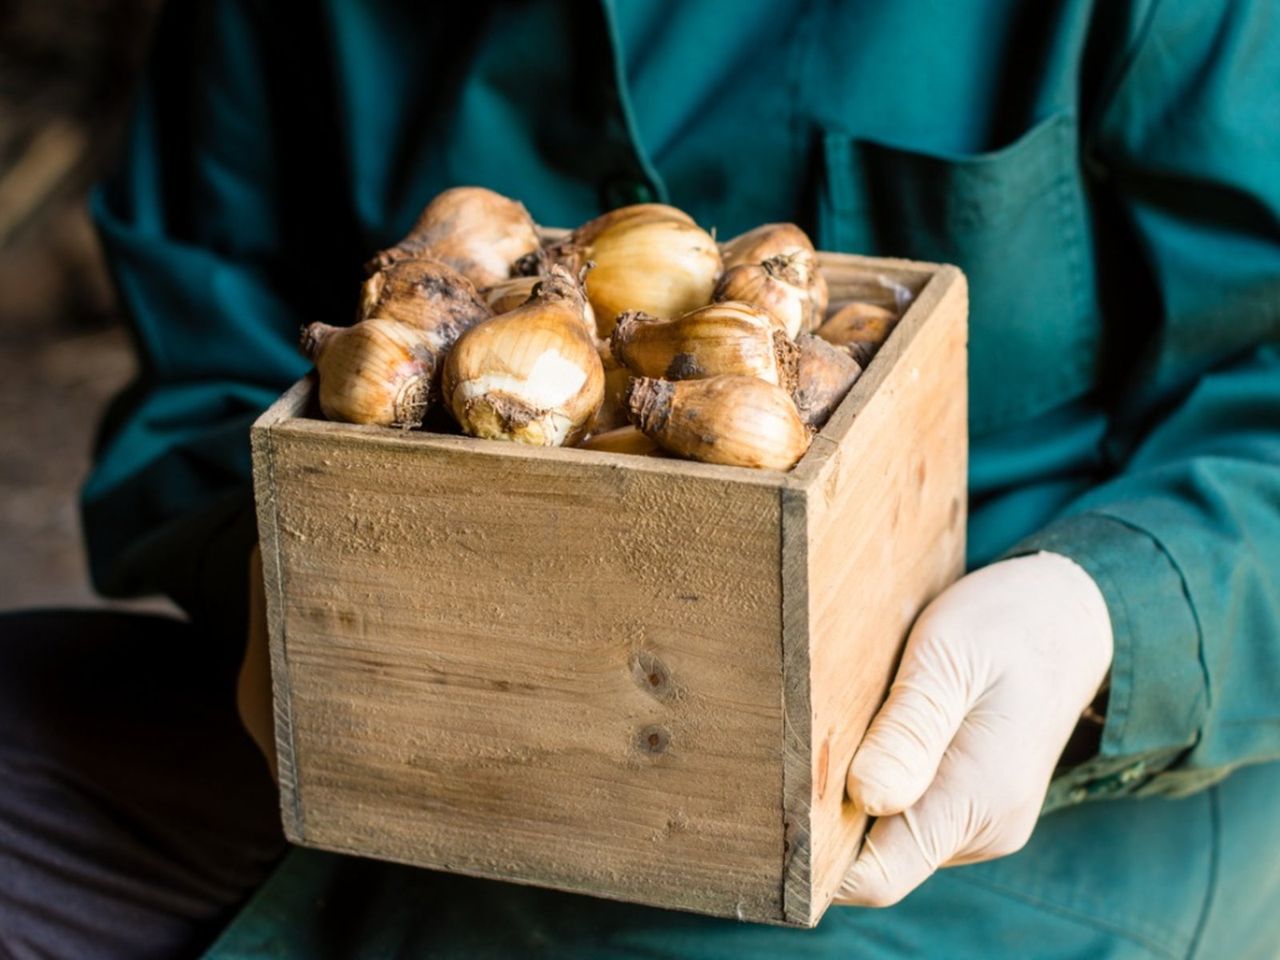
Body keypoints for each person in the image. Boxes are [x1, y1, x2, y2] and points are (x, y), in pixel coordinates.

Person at [2, 0, 1278, 956]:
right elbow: (202, 368)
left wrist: (1102, 619)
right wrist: (275, 577)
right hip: (413, 773)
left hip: (971, 836)